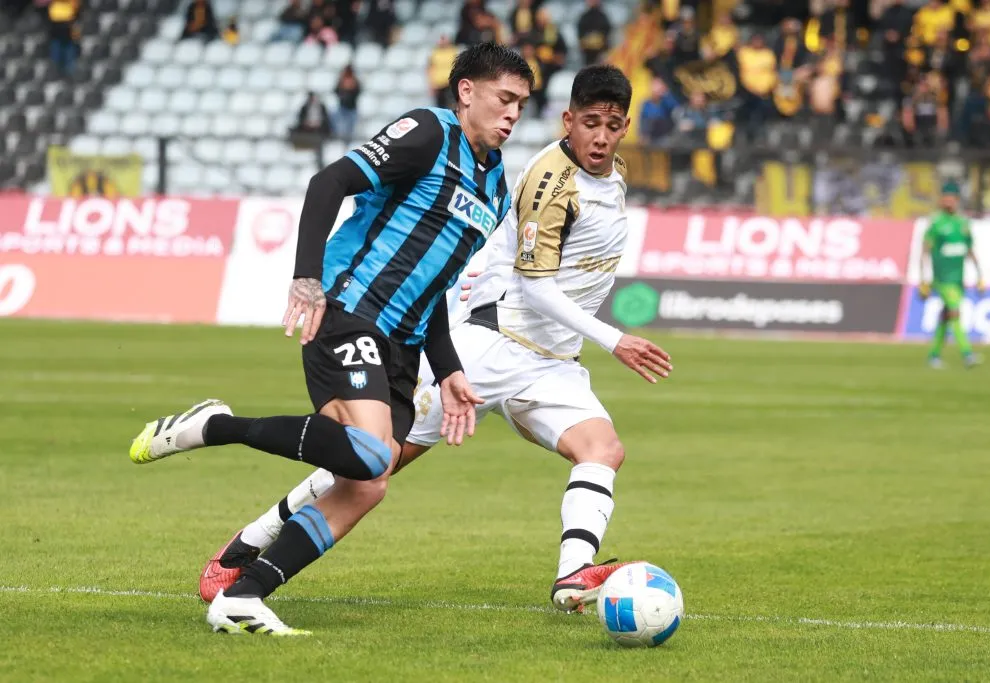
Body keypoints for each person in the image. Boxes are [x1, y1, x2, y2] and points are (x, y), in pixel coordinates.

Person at [195, 65, 672, 617]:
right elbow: (535, 285)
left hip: (552, 359)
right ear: (569, 120)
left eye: (613, 125)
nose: (602, 136)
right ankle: (250, 542)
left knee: (603, 450)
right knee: (374, 462)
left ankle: (571, 576)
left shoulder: (611, 178)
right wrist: (617, 341)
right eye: (591, 123)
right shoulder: (548, 179)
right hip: (493, 343)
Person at [128, 43, 534, 637]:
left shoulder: (496, 189)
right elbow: (328, 182)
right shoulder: (426, 133)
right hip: (349, 311)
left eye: (522, 104)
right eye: (505, 99)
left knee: (369, 485)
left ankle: (244, 594)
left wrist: (448, 371)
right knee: (371, 453)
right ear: (467, 91)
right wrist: (308, 279)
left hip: (403, 346)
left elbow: (438, 287)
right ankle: (217, 426)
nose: (514, 114)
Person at [918, 182, 983, 369]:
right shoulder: (936, 223)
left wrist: (980, 276)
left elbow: (970, 250)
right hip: (943, 279)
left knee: (945, 317)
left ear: (956, 200)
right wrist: (923, 280)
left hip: (958, 279)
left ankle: (933, 355)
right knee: (955, 312)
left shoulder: (963, 223)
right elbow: (924, 252)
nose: (948, 201)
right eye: (945, 197)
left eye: (951, 198)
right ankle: (967, 354)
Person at [577, 0, 612, 66]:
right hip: (588, 52)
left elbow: (607, 32)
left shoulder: (603, 17)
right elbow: (580, 34)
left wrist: (600, 40)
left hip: (601, 51)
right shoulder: (584, 17)